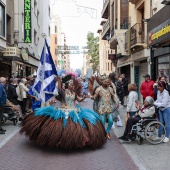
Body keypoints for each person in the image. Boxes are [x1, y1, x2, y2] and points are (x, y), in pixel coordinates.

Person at [20, 74, 106, 149]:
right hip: (64, 110)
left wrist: (85, 97)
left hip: (74, 110)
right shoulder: (64, 93)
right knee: (63, 125)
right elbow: (59, 88)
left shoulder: (74, 93)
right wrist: (59, 80)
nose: (73, 86)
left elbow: (79, 100)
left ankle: (74, 140)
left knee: (77, 125)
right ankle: (62, 140)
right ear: (68, 85)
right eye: (71, 85)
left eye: (73, 85)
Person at [91, 76, 119, 140]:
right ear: (102, 82)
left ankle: (107, 131)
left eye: (108, 82)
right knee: (102, 122)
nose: (108, 83)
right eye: (106, 82)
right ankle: (104, 133)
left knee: (111, 121)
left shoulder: (110, 89)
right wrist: (90, 97)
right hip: (101, 108)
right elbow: (94, 97)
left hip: (109, 108)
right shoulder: (99, 89)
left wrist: (116, 102)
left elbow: (113, 97)